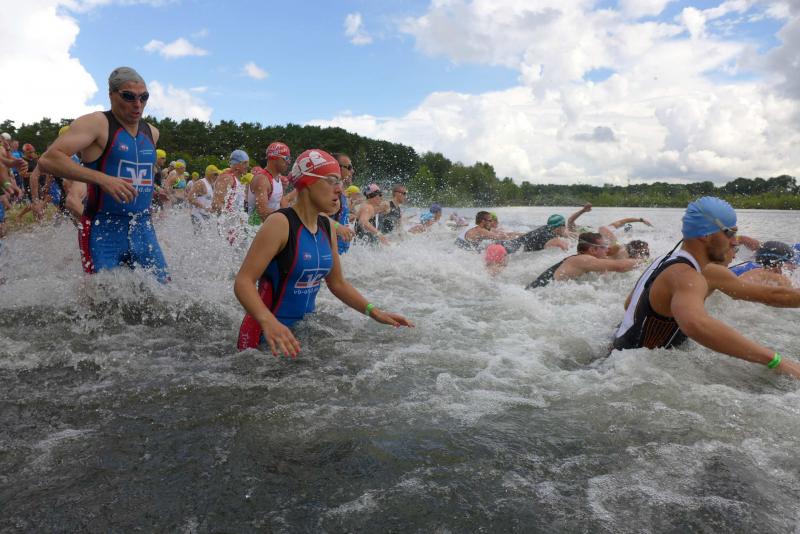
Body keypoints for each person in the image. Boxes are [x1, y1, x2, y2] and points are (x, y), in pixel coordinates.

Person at [235, 148, 413, 356]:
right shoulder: (280, 223)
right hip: (264, 339)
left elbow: (337, 283)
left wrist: (375, 312)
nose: (339, 189)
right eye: (331, 181)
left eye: (339, 182)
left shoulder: (326, 227)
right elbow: (243, 282)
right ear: (307, 183)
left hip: (302, 332)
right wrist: (268, 321)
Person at [613, 197, 800, 377]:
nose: (735, 242)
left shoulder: (668, 260)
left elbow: (771, 295)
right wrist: (776, 361)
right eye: (730, 233)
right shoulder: (685, 276)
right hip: (628, 373)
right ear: (705, 235)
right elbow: (696, 324)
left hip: (618, 355)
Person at [39, 66, 168, 282]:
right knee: (103, 296)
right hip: (103, 230)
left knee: (162, 292)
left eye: (144, 97)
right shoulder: (97, 124)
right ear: (111, 95)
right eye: (129, 96)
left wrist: (153, 190)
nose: (138, 104)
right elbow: (48, 159)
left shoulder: (152, 132)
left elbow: (136, 173)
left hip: (143, 228)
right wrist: (102, 179)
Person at [526, 232, 641, 289]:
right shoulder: (583, 259)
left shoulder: (579, 258)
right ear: (592, 250)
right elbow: (620, 267)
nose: (607, 250)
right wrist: (643, 262)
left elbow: (612, 257)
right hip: (536, 293)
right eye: (604, 247)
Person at [455, 211, 570, 252]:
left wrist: (519, 234)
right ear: (482, 221)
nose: (492, 222)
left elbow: (502, 234)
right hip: (465, 248)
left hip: (461, 247)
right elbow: (501, 236)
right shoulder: (481, 231)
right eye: (490, 220)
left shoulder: (475, 227)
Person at [247, 142, 290, 226]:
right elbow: (263, 212)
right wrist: (289, 216)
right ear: (274, 158)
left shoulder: (278, 178)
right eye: (286, 158)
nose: (288, 162)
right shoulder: (262, 180)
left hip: (269, 226)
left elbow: (282, 204)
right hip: (255, 229)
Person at [727, 241, 796, 287]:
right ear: (779, 264)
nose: (794, 266)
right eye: (791, 262)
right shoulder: (767, 275)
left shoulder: (750, 267)